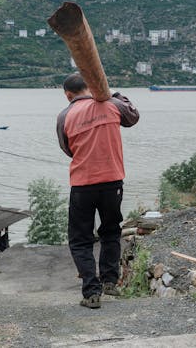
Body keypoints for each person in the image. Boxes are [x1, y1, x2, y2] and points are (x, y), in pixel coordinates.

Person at [55, 72, 140, 309]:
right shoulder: (112, 104)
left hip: (82, 183)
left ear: (68, 95)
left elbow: (67, 148)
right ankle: (110, 282)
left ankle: (92, 292)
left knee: (80, 239)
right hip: (112, 181)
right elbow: (133, 116)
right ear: (90, 87)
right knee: (111, 232)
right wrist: (111, 93)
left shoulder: (65, 115)